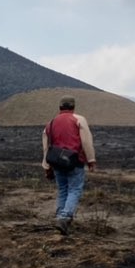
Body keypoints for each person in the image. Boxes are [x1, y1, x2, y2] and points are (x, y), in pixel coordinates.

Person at [42, 95, 96, 235]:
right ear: (73, 107)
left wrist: (47, 166)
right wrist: (91, 159)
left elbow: (46, 146)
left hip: (56, 162)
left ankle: (60, 217)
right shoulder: (79, 120)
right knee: (74, 190)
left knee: (63, 190)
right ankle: (65, 218)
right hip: (74, 161)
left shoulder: (51, 123)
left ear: (60, 107)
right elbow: (86, 141)